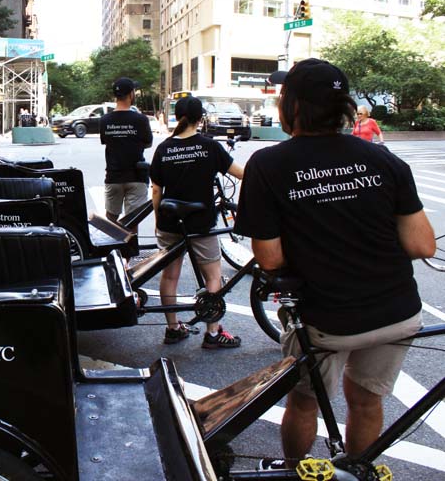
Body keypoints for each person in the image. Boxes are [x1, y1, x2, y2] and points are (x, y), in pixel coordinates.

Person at [234, 59, 435, 467]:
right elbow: (422, 245)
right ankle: (358, 470)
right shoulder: (385, 161)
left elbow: (269, 257)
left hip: (326, 321)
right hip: (397, 313)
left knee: (305, 402)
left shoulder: (268, 165)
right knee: (366, 400)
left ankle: (295, 471)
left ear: (291, 107)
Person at [149, 96, 245, 348]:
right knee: (213, 274)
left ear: (177, 117)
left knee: (170, 276)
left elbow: (156, 190)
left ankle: (172, 328)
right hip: (200, 221)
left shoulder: (164, 148)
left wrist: (159, 220)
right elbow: (240, 173)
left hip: (170, 220)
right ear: (200, 118)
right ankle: (212, 334)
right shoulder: (209, 147)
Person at [100, 77, 153, 226]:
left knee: (110, 220)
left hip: (113, 176)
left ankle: (109, 248)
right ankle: (130, 250)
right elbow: (148, 143)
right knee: (132, 223)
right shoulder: (141, 119)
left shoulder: (105, 120)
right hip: (136, 177)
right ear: (131, 94)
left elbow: (106, 141)